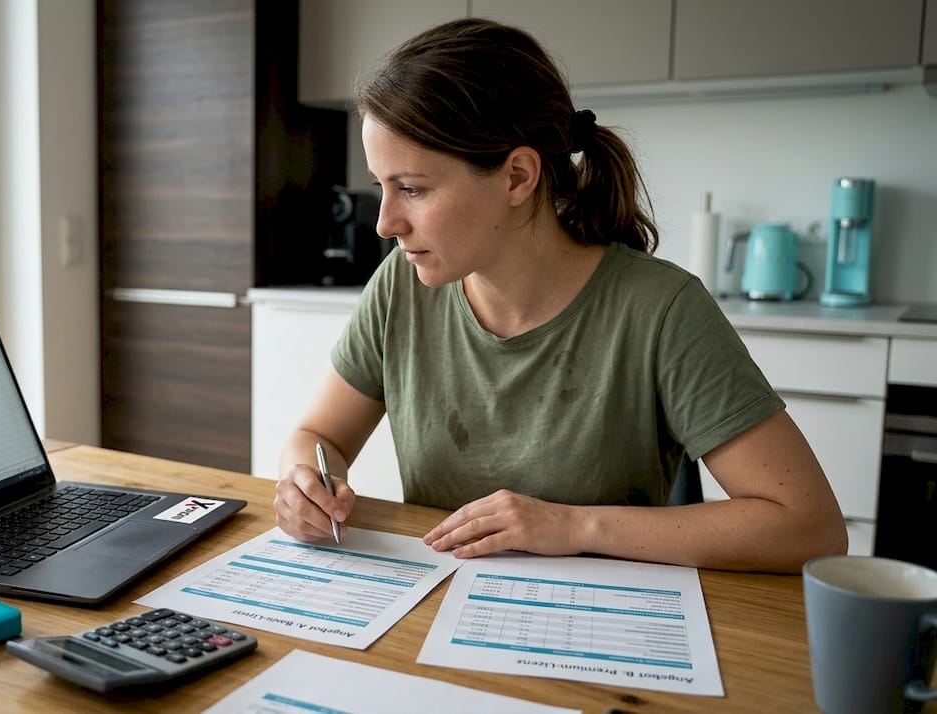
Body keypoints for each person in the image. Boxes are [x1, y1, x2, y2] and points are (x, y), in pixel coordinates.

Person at [271, 17, 847, 574]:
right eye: (382, 187)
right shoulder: (401, 286)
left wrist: (572, 526)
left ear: (518, 177)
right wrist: (303, 483)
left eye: (413, 189)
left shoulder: (662, 310)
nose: (385, 223)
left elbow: (809, 526)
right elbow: (317, 437)